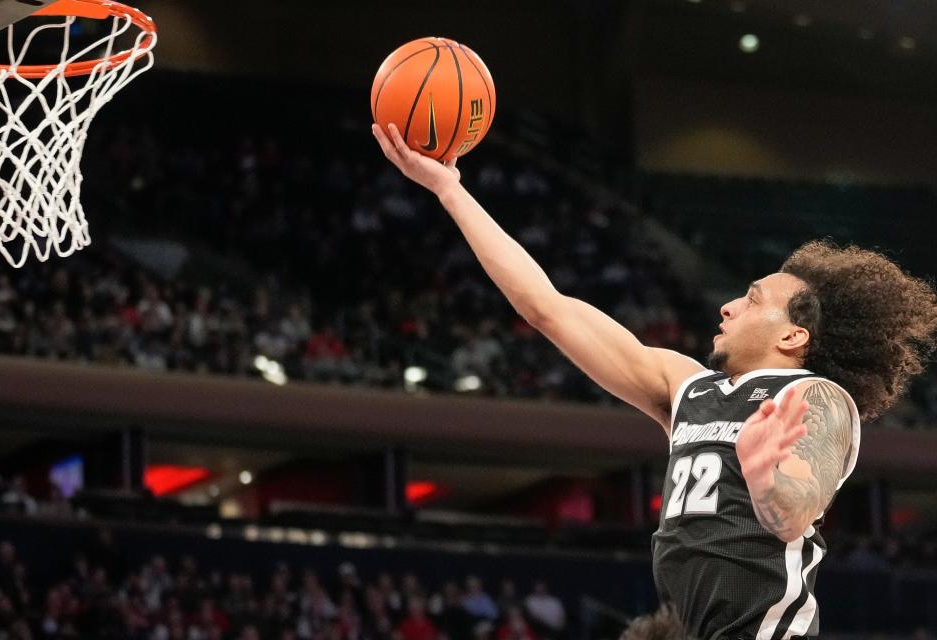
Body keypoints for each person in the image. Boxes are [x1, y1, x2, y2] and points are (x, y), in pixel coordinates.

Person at [371, 123, 937, 639]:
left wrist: (769, 485)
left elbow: (796, 505)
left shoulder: (816, 397)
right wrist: (450, 191)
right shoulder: (685, 386)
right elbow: (548, 308)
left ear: (793, 337)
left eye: (751, 299)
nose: (727, 306)